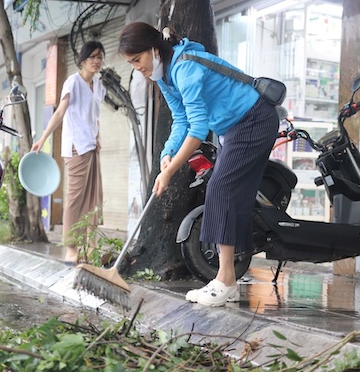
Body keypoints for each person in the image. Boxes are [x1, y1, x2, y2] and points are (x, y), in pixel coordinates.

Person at [118, 22, 279, 307]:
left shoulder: (184, 68)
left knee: (221, 188)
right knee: (229, 192)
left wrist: (169, 171)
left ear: (154, 50)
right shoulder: (164, 76)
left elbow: (197, 128)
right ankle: (229, 280)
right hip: (235, 126)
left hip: (253, 119)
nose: (137, 68)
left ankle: (225, 280)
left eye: (137, 60)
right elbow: (181, 120)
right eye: (131, 63)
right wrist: (167, 153)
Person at [31, 41, 106, 265]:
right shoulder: (73, 82)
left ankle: (90, 246)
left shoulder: (99, 85)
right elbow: (60, 111)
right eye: (92, 56)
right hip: (75, 146)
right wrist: (43, 138)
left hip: (92, 146)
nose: (96, 61)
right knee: (75, 199)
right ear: (82, 60)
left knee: (94, 198)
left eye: (100, 57)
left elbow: (94, 116)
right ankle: (71, 249)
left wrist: (98, 137)